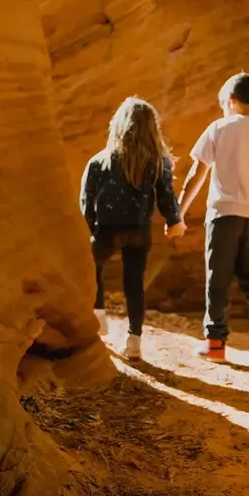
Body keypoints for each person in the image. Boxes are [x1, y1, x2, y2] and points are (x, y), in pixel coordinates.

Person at [178, 71, 249, 375]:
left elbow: (197, 174)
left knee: (218, 277)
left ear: (230, 101)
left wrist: (178, 212)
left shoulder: (218, 128)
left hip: (225, 213)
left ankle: (215, 343)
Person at [80, 97, 186, 359]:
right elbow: (166, 197)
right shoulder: (157, 162)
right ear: (151, 128)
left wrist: (88, 229)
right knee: (134, 284)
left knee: (91, 267)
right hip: (139, 232)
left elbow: (86, 201)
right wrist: (175, 222)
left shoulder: (100, 161)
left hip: (105, 230)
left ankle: (99, 313)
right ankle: (134, 341)